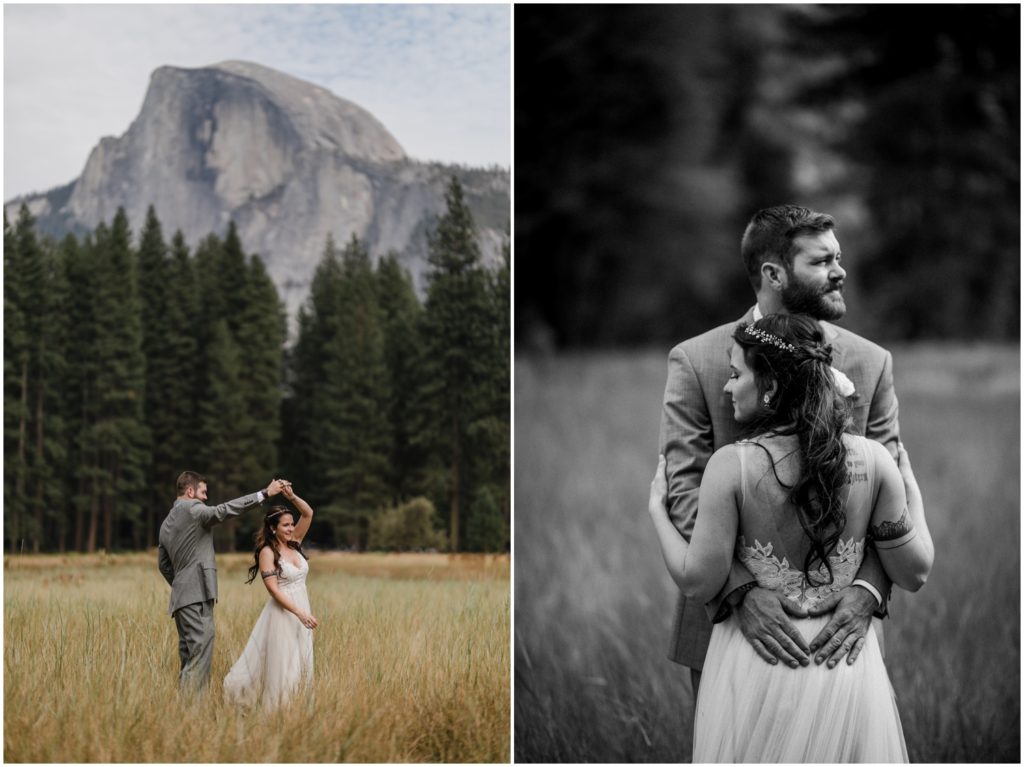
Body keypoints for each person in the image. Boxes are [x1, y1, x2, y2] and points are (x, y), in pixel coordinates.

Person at [648, 313, 934, 761]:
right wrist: (912, 495)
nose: (727, 387)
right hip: (846, 665)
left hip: (755, 661)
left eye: (736, 374)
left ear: (772, 387)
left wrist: (657, 513)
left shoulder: (730, 466)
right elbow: (915, 571)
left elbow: (697, 581)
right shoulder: (874, 461)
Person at [659, 205, 902, 697]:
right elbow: (684, 488)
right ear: (773, 273)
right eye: (821, 261)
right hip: (727, 622)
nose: (840, 271)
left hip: (843, 631)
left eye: (838, 257)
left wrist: (867, 590)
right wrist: (740, 590)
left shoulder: (871, 362)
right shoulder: (698, 360)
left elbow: (889, 499)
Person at [158, 471, 287, 693]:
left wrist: (182, 584)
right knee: (199, 657)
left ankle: (180, 714)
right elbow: (223, 511)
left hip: (181, 599)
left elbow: (164, 566)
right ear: (190, 491)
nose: (206, 498)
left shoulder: (166, 523)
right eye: (203, 492)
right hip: (196, 596)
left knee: (189, 658)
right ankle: (192, 717)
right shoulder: (193, 510)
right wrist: (264, 494)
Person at [224, 481, 317, 710]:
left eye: (291, 524)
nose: (290, 528)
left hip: (302, 607)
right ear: (273, 528)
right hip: (284, 613)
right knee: (284, 664)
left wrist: (291, 497)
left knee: (300, 661)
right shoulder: (268, 552)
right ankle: (275, 711)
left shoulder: (295, 544)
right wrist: (299, 613)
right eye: (285, 525)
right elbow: (273, 590)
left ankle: (297, 709)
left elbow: (308, 513)